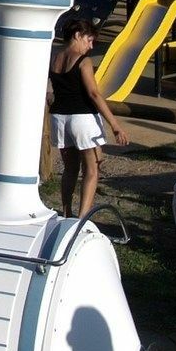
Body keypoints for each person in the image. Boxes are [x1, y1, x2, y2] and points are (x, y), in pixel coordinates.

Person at [49, 12, 129, 217]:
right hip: (82, 118)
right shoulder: (83, 62)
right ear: (77, 35)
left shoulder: (54, 57)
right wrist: (115, 125)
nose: (91, 46)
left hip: (59, 117)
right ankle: (83, 217)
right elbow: (93, 93)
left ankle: (66, 211)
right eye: (89, 40)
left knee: (70, 169)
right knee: (92, 170)